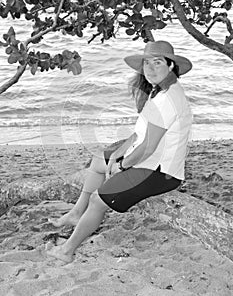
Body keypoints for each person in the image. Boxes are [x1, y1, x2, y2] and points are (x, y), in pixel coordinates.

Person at [47, 40, 193, 263]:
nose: (150, 69)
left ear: (171, 66)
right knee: (98, 162)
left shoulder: (169, 100)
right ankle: (77, 213)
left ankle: (66, 251)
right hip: (148, 160)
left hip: (160, 172)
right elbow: (137, 136)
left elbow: (148, 147)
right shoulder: (160, 91)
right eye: (146, 63)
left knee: (97, 200)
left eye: (158, 63)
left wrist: (122, 166)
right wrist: (116, 155)